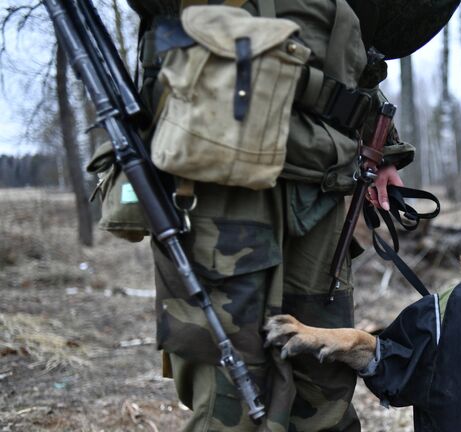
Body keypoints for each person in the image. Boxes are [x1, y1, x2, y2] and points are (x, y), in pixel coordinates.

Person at [126, 0, 416, 430]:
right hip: (218, 161)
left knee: (323, 388)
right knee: (233, 397)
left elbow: (353, 39)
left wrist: (381, 142)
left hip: (323, 169)